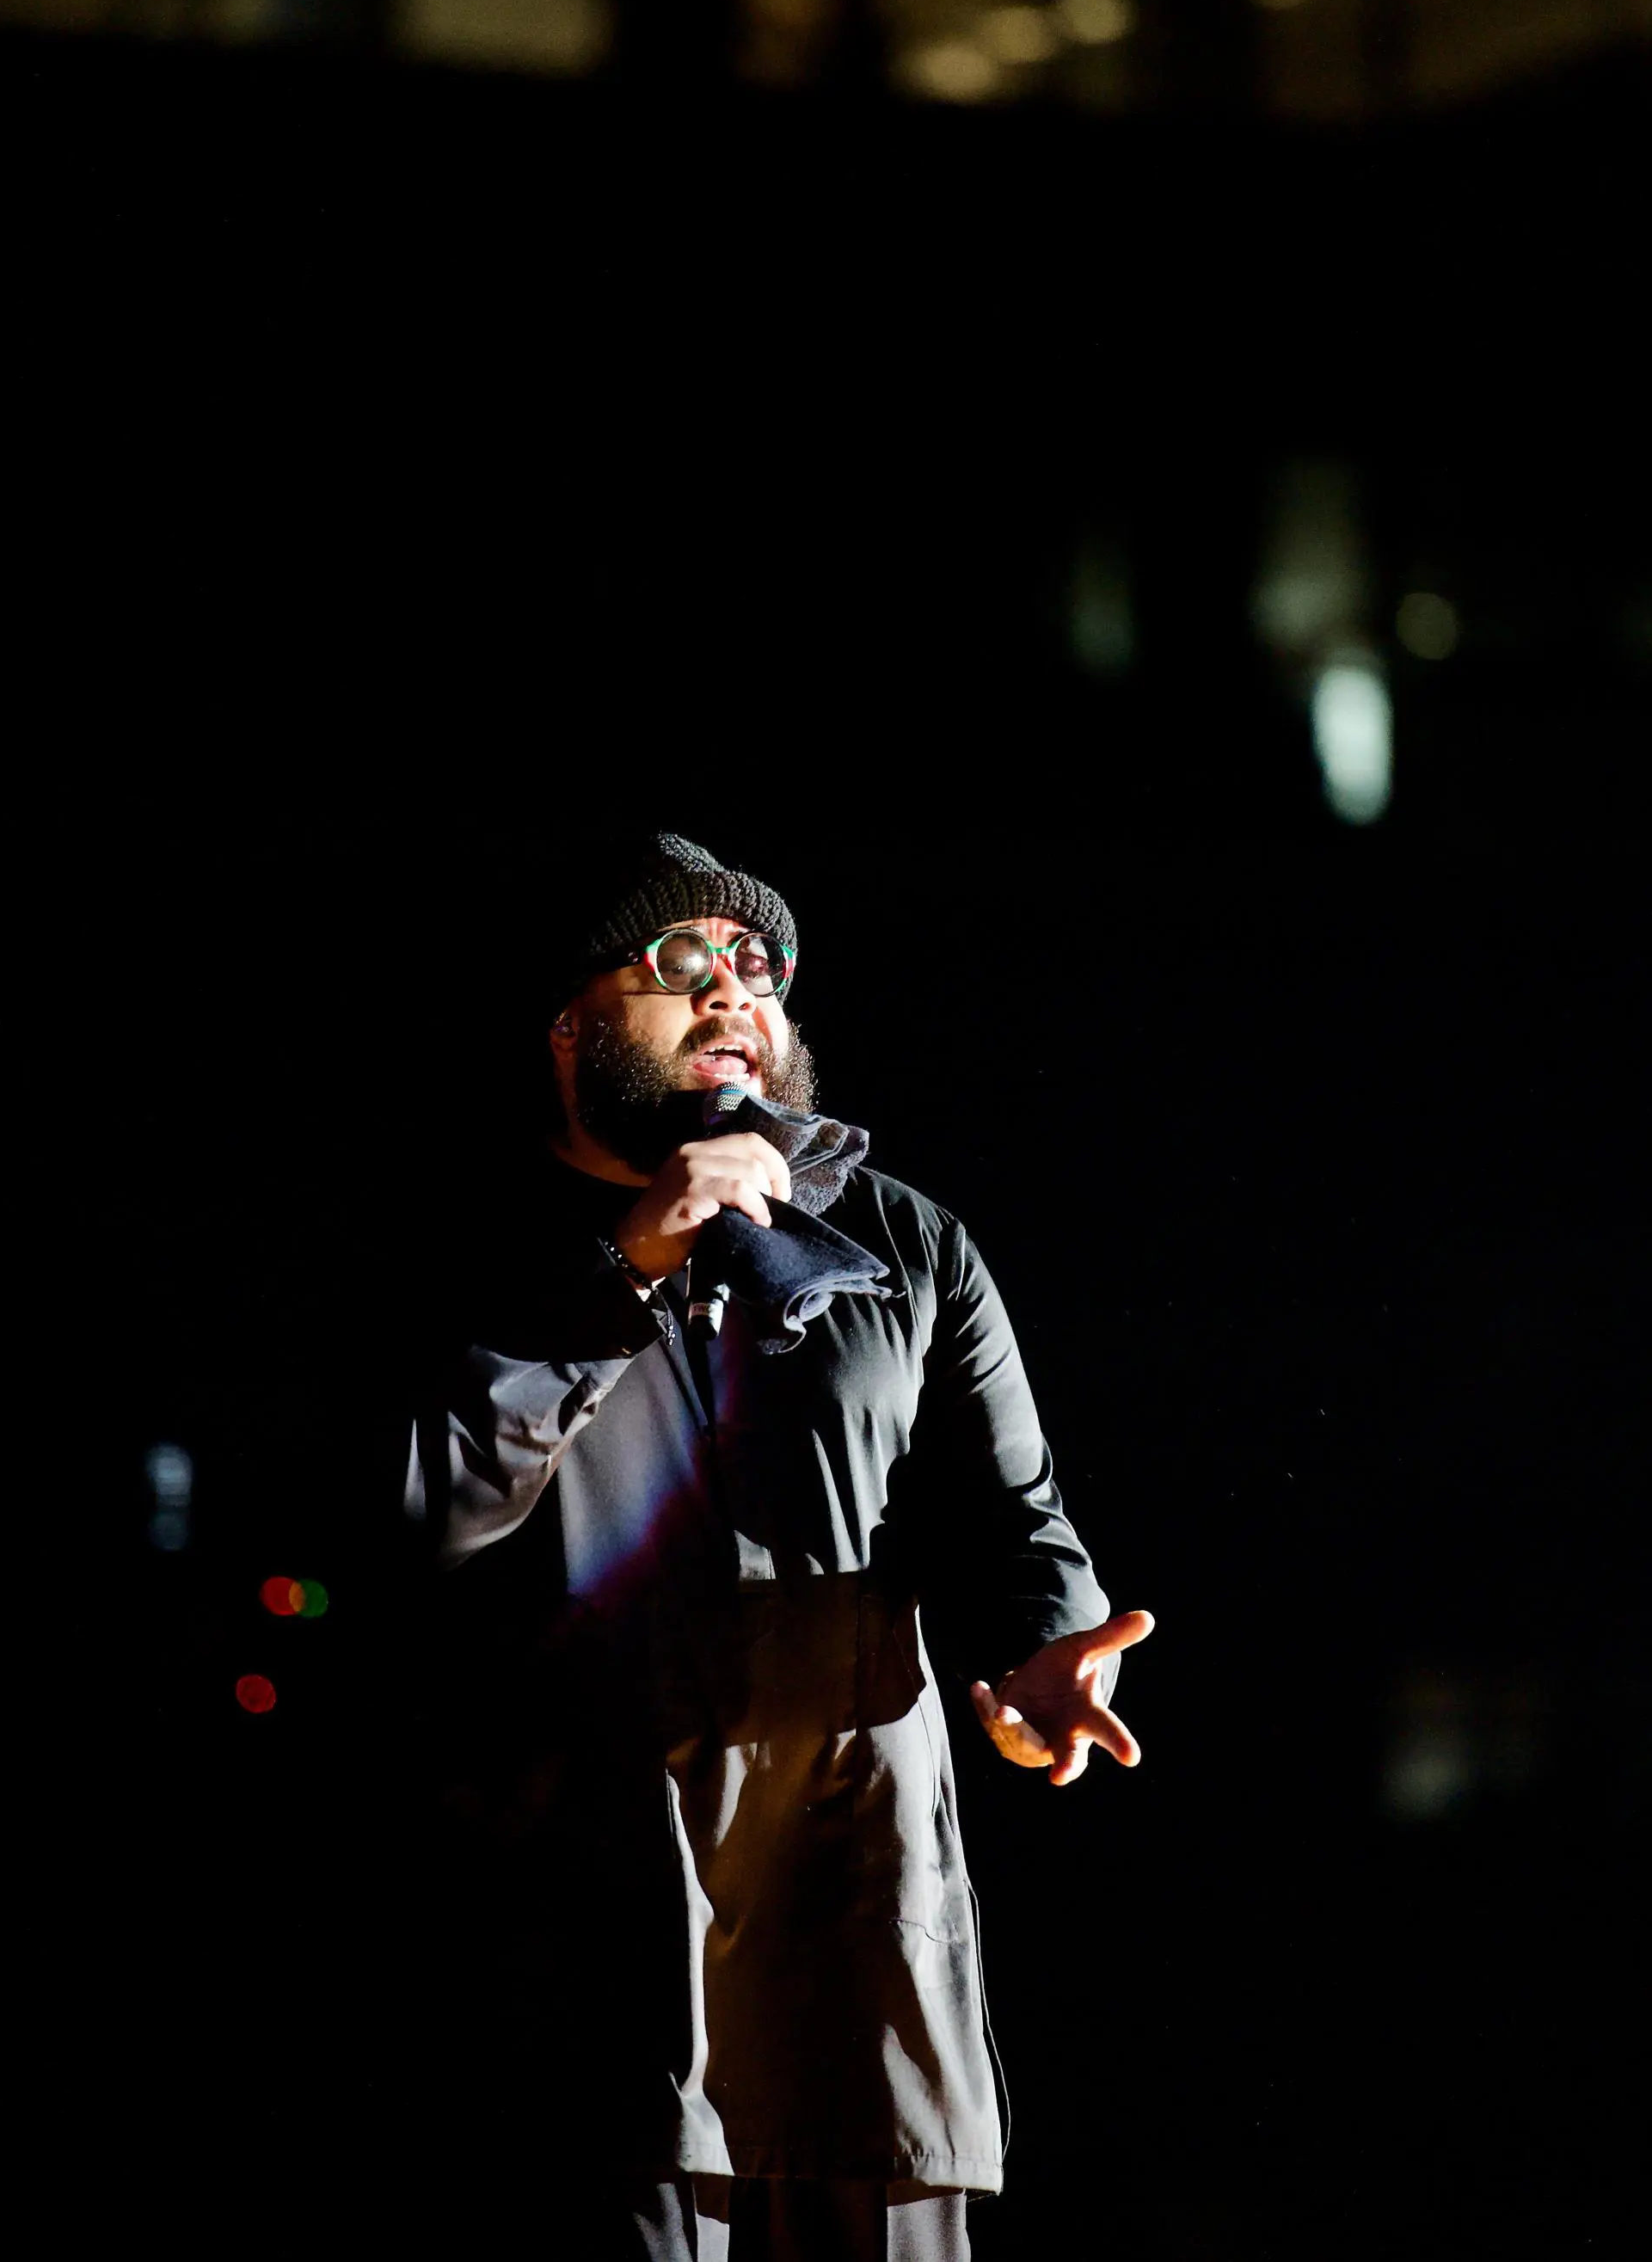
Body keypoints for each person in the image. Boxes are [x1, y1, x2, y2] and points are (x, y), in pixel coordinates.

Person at [402, 833, 1152, 2262]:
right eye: (678, 963)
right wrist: (633, 1263)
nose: (733, 991)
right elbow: (417, 1512)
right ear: (567, 1023)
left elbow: (1006, 1516)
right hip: (594, 1926)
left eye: (758, 967)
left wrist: (1049, 1645)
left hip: (857, 1913)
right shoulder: (477, 1246)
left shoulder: (900, 1239)